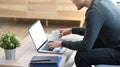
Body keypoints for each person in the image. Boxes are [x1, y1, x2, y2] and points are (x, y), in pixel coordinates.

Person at [48, 0, 120, 67]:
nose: (72, 1)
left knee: (81, 57)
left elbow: (85, 45)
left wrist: (61, 43)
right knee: (85, 47)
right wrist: (72, 30)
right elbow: (93, 30)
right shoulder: (102, 2)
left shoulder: (94, 11)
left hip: (118, 51)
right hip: (115, 43)